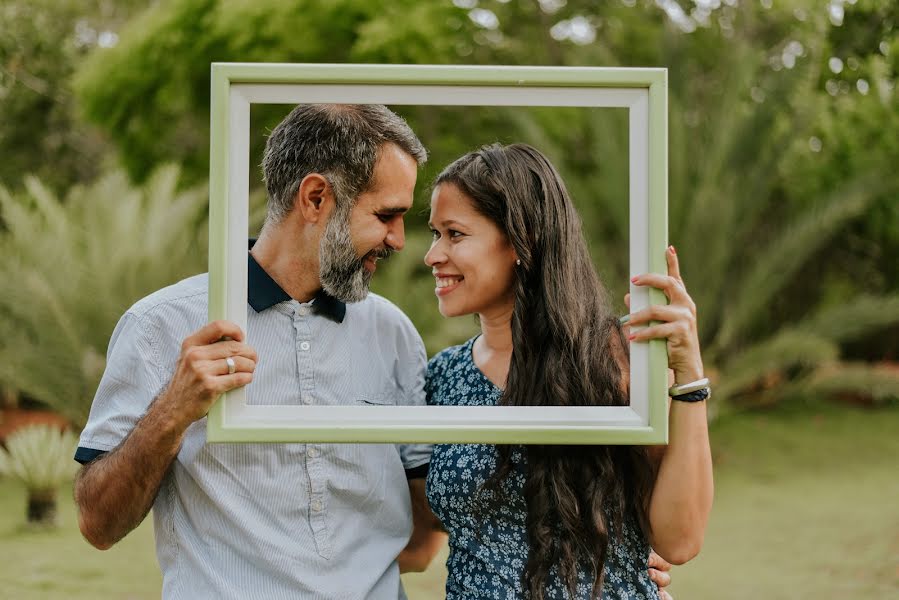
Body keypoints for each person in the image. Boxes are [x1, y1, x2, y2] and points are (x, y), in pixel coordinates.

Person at [73, 104, 435, 600]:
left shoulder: (393, 332)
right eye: (386, 214)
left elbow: (424, 529)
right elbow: (98, 524)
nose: (398, 238)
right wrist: (173, 411)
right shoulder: (159, 324)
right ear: (315, 198)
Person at [417, 143, 713, 599]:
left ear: (522, 239)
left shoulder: (619, 357)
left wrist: (689, 374)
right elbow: (421, 535)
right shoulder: (441, 377)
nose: (432, 255)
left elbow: (679, 539)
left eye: (454, 234)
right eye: (435, 233)